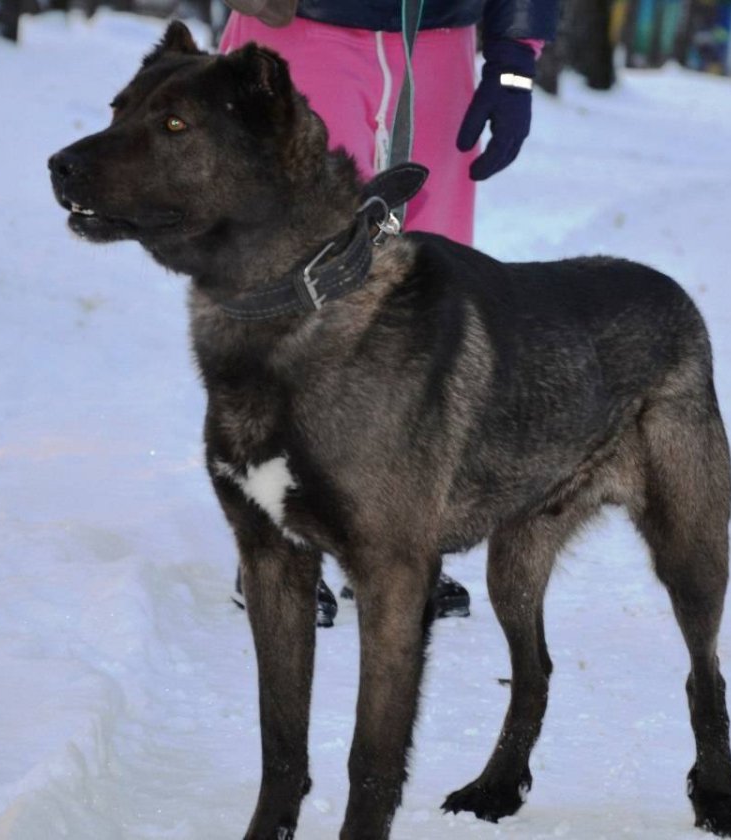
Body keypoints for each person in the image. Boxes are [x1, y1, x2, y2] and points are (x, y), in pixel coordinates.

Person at [221, 0, 559, 626]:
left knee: (423, 294)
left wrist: (513, 61)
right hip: (300, 28)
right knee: (284, 279)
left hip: (433, 42)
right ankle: (275, 535)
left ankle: (392, 532)